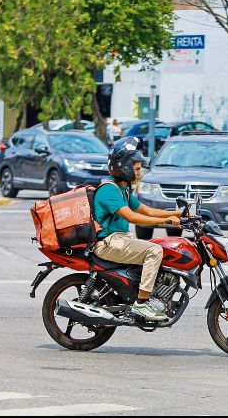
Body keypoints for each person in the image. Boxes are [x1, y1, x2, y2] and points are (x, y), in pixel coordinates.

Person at [93, 136, 183, 321]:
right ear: (124, 167)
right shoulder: (109, 190)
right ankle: (141, 304)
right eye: (137, 168)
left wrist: (179, 215)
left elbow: (147, 210)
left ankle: (146, 293)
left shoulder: (123, 189)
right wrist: (167, 223)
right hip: (108, 242)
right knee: (154, 250)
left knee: (161, 248)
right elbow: (133, 217)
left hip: (120, 240)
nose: (140, 171)